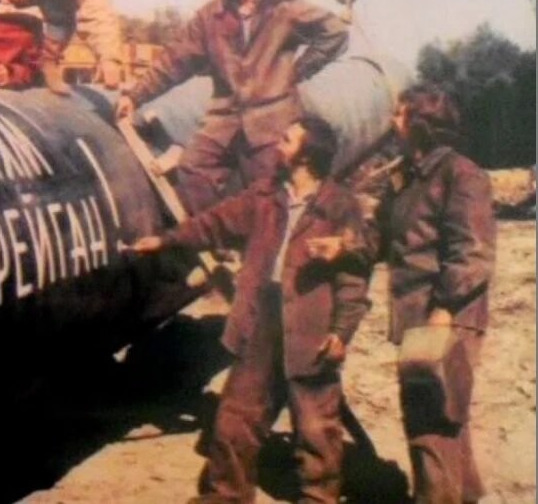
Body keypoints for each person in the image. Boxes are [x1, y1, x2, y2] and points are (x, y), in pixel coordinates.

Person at [129, 114, 372, 504]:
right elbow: (213, 224)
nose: (278, 144)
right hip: (261, 318)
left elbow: (353, 278)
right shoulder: (265, 196)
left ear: (307, 155)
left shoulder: (339, 206)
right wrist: (165, 240)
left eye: (288, 140)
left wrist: (341, 332)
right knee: (237, 417)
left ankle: (318, 497)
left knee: (316, 425)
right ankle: (226, 496)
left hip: (310, 325)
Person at [115, 0, 350, 214]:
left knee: (269, 189)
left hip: (272, 117)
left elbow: (335, 32)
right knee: (193, 167)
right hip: (225, 117)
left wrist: (297, 71)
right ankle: (210, 230)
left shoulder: (283, 8)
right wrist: (135, 96)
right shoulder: (210, 16)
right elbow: (174, 61)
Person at [377, 85, 495, 503]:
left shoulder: (461, 174)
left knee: (430, 421)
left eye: (400, 113)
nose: (392, 121)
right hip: (417, 315)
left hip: (446, 317)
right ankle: (465, 495)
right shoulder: (407, 177)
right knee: (446, 417)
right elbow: (385, 239)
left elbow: (473, 252)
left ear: (421, 124)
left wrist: (442, 311)